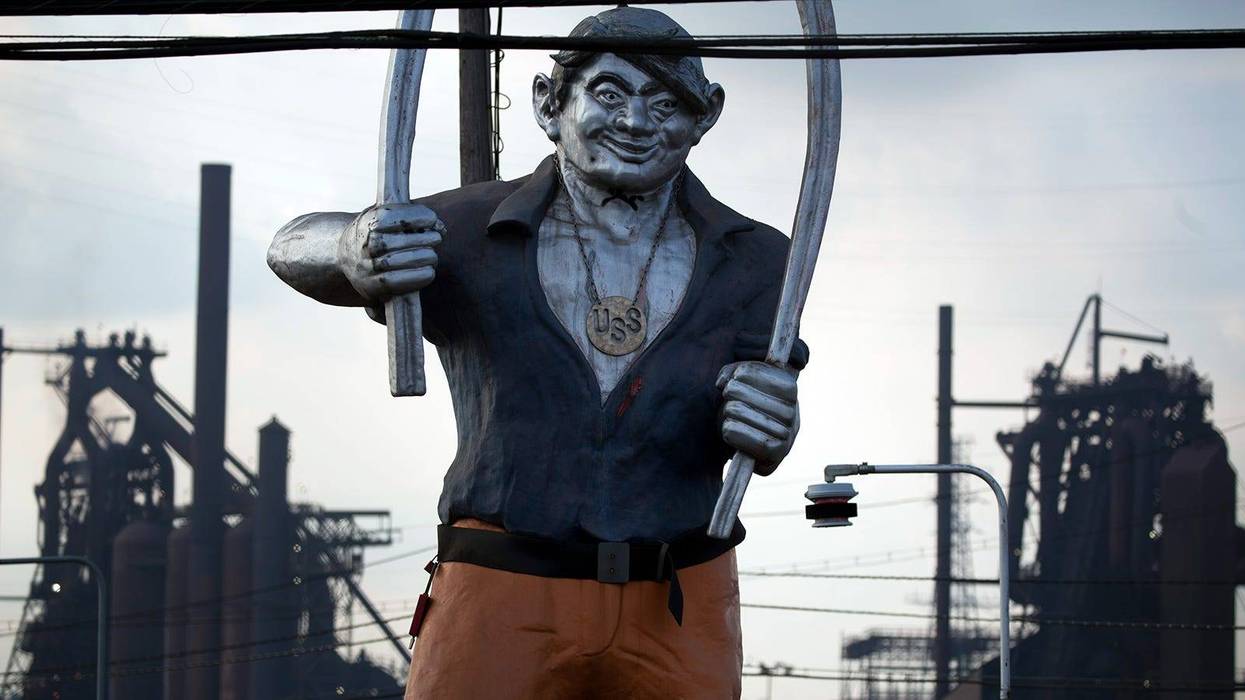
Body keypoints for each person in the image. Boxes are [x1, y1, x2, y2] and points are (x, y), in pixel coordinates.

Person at [267, 7, 807, 698]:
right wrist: (354, 247)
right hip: (502, 586)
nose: (637, 123)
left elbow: (765, 403)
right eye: (608, 94)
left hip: (677, 594)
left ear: (705, 116)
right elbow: (291, 244)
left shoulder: (756, 258)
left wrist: (771, 424)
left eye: (666, 102)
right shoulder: (465, 231)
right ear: (549, 105)